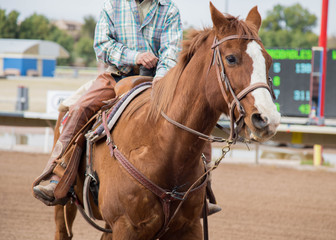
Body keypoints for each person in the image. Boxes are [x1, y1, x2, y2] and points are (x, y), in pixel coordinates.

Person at [33, 0, 183, 205]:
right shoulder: (113, 5)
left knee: (191, 114)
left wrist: (163, 75)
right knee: (81, 108)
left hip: (158, 81)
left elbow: (171, 50)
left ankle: (198, 190)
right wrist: (135, 56)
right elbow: (102, 45)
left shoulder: (169, 9)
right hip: (117, 77)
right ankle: (57, 177)